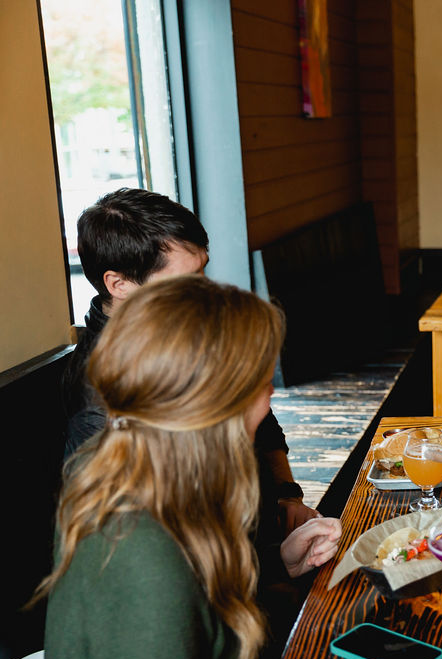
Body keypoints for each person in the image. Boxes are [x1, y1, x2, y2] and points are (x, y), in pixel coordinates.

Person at [35, 276, 343, 659]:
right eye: (262, 383)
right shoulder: (140, 552)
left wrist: (275, 563)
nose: (270, 397)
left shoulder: (137, 468)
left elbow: (196, 601)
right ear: (214, 403)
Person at [61, 188, 318, 534]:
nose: (204, 290)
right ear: (119, 284)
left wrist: (287, 495)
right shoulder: (100, 395)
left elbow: (261, 417)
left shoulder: (186, 325)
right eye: (186, 282)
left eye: (202, 272)